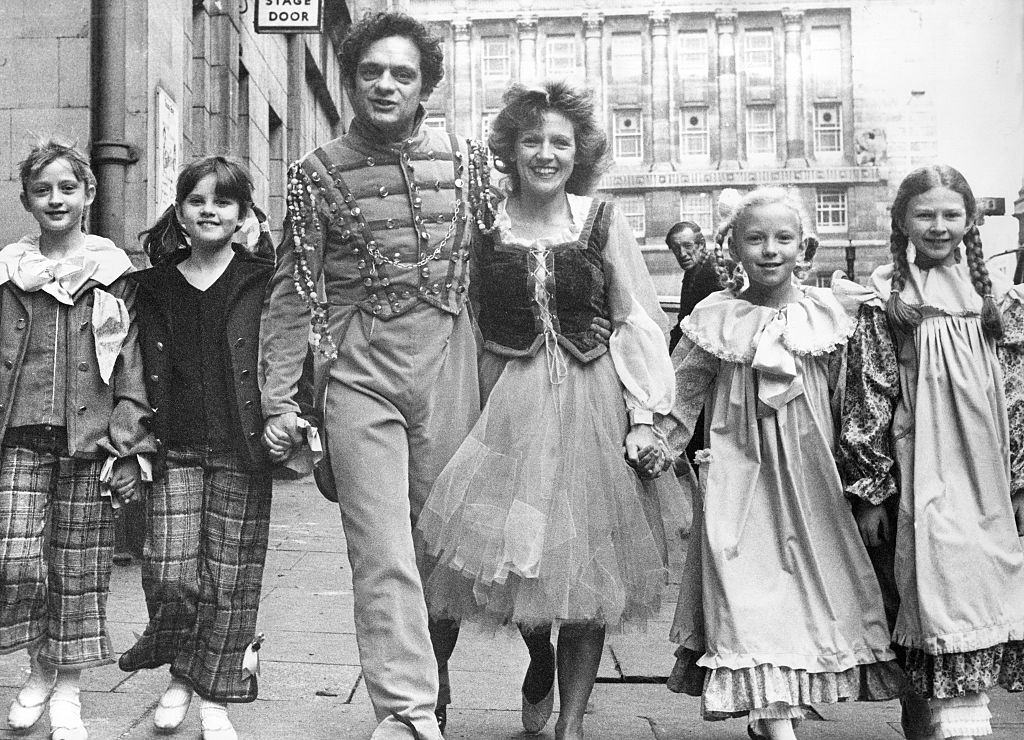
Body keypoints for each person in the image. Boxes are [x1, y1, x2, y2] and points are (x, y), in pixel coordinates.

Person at [416, 81, 678, 740]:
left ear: (578, 151)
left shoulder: (600, 221)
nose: (545, 152)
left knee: (586, 572)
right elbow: (460, 316)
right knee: (476, 564)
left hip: (589, 407)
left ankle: (571, 723)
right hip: (497, 401)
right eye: (531, 139)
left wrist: (647, 413)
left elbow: (635, 318)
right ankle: (466, 680)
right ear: (509, 149)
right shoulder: (482, 225)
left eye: (559, 141)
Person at [259, 12, 481, 739]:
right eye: (371, 72)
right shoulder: (313, 175)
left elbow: (496, 272)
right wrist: (277, 399)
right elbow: (292, 291)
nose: (386, 85)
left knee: (444, 550)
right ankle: (407, 712)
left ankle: (437, 678)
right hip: (359, 378)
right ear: (351, 80)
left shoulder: (470, 160)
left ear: (425, 86)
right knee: (382, 551)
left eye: (403, 74)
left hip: (452, 368)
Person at [659, 187, 904, 740]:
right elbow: (684, 389)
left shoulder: (831, 314)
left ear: (804, 247)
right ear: (733, 249)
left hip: (813, 475)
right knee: (741, 583)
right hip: (740, 471)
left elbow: (855, 396)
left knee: (807, 591)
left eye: (783, 238)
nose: (770, 249)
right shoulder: (714, 316)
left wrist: (868, 480)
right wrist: (660, 443)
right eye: (755, 238)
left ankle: (786, 704)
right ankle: (774, 720)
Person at [838, 164, 1024, 740]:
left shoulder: (994, 301)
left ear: (969, 221)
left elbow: (1016, 395)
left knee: (980, 590)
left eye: (951, 214)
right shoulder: (886, 298)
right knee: (921, 596)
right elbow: (867, 392)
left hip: (986, 476)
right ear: (901, 220)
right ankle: (927, 725)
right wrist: (871, 490)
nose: (938, 226)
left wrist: (1019, 479)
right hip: (921, 471)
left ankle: (962, 722)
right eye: (925, 214)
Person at [116, 156, 279, 740]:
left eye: (224, 202)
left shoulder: (263, 280)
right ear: (180, 212)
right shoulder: (151, 286)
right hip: (175, 447)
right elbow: (127, 364)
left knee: (231, 577)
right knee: (170, 569)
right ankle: (181, 659)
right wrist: (129, 445)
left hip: (242, 448)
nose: (210, 210)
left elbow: (287, 350)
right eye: (197, 200)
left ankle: (210, 692)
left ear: (243, 216)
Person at [1, 139, 154, 740]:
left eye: (68, 188)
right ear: (26, 201)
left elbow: (133, 366)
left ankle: (61, 684)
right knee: (15, 561)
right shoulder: (12, 271)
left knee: (78, 566)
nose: (56, 199)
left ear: (88, 194)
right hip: (20, 438)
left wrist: (127, 440)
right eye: (43, 190)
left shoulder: (113, 274)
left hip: (90, 443)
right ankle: (41, 660)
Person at [665, 220, 719, 354]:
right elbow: (683, 321)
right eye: (676, 248)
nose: (682, 253)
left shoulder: (719, 272)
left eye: (687, 246)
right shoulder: (692, 272)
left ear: (701, 245)